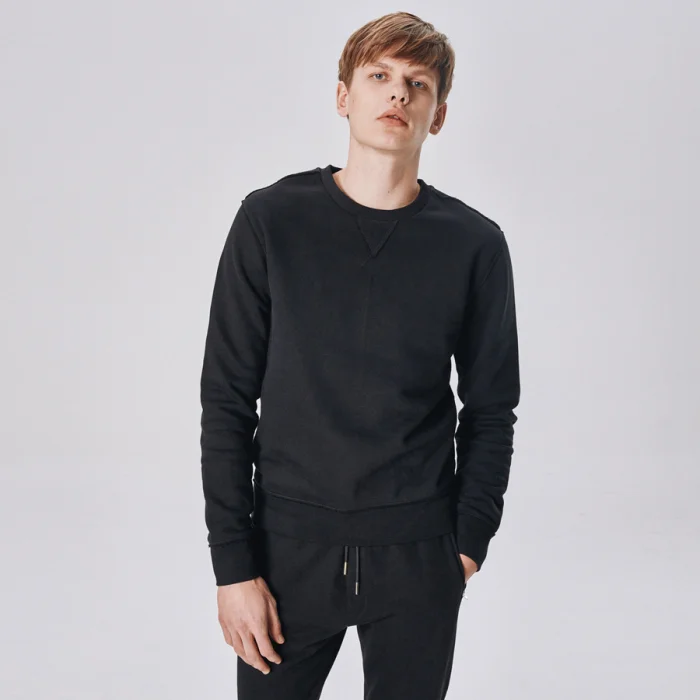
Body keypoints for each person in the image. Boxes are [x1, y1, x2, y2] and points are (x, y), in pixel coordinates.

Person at [199, 11, 520, 699]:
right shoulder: (270, 220)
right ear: (344, 96)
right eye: (379, 75)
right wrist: (233, 567)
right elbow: (226, 399)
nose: (398, 93)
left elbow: (492, 407)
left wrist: (468, 543)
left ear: (438, 115)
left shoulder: (474, 244)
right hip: (285, 555)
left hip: (419, 558)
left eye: (418, 83)